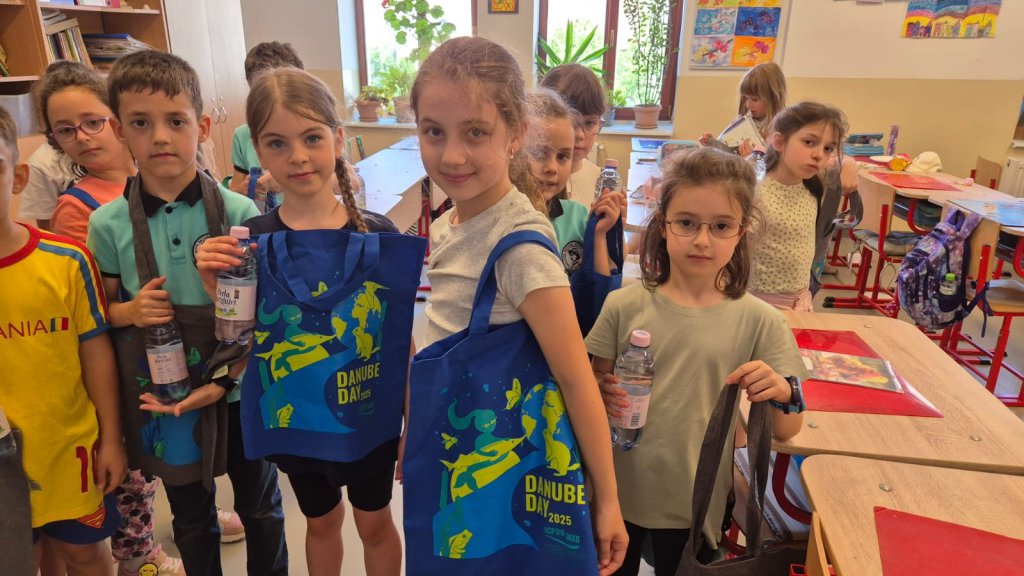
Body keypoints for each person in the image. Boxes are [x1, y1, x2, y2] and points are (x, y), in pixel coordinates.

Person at [412, 37, 628, 575]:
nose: (452, 154)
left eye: (476, 133)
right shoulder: (449, 222)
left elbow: (576, 379)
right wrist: (415, 431)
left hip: (505, 464)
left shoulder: (523, 247)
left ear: (515, 135)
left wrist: (607, 501)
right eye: (433, 131)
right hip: (453, 446)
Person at [196, 67, 404, 576]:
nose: (298, 157)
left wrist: (410, 416)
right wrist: (214, 286)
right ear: (259, 153)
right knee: (321, 522)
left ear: (337, 139)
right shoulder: (252, 243)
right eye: (278, 143)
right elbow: (240, 338)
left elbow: (398, 338)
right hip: (298, 418)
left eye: (312, 138)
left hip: (368, 413)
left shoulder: (378, 234)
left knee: (375, 524)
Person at [86, 50, 286, 576]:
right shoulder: (107, 225)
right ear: (119, 130)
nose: (159, 138)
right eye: (140, 123)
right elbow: (101, 311)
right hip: (165, 388)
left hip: (240, 384)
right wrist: (128, 310)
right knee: (192, 514)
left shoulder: (240, 213)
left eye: (175, 122)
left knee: (260, 503)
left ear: (200, 126)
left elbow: (270, 311)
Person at [585, 147, 806, 576]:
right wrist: (600, 389)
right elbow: (593, 389)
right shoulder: (622, 305)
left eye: (721, 226)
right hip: (615, 496)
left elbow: (787, 428)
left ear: (742, 230)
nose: (702, 240)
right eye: (686, 223)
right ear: (663, 225)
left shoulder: (760, 321)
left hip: (695, 506)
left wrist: (780, 391)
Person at [33, 59, 190, 576]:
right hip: (127, 356)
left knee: (180, 442)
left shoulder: (162, 177)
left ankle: (192, 509)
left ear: (118, 121)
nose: (82, 136)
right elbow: (86, 308)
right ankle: (139, 551)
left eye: (93, 121)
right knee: (132, 466)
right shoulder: (79, 210)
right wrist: (128, 310)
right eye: (65, 130)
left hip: (182, 348)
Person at [0, 105, 128, 576]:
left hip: (69, 451)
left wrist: (110, 438)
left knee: (86, 557)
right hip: (2, 467)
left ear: (16, 178)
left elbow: (96, 352)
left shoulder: (67, 261)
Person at [748, 101, 848, 312]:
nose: (819, 154)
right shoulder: (755, 190)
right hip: (756, 304)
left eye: (828, 148)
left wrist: (849, 164)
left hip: (800, 301)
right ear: (779, 142)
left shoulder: (814, 185)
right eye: (809, 142)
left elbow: (841, 163)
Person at [525, 88, 623, 277]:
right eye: (540, 153)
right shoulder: (503, 218)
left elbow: (597, 297)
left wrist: (600, 235)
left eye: (562, 156)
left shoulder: (578, 217)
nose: (552, 167)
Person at [228, 41, 305, 200]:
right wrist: (243, 189)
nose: (274, 102)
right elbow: (234, 190)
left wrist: (283, 181)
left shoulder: (313, 130)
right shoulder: (243, 135)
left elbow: (350, 182)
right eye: (262, 95)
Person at [540, 63, 607, 207]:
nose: (580, 135)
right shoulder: (528, 182)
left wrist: (614, 226)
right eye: (572, 122)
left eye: (589, 123)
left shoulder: (602, 181)